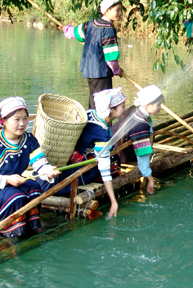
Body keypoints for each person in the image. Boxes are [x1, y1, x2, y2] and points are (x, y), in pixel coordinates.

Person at [0, 97, 60, 238]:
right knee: (16, 197)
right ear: (3, 121)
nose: (22, 124)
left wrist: (47, 171)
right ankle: (13, 230)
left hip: (13, 185)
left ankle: (30, 225)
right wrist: (7, 180)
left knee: (34, 188)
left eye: (25, 119)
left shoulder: (29, 140)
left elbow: (39, 162)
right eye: (16, 119)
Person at [37, 87, 127, 219]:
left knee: (112, 156)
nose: (125, 109)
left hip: (67, 158)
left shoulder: (89, 114)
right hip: (78, 169)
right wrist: (113, 201)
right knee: (110, 161)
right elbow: (104, 169)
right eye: (122, 106)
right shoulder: (102, 134)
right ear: (111, 110)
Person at [61, 0, 124, 109]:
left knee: (94, 101)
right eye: (117, 10)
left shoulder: (92, 23)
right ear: (107, 10)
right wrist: (117, 70)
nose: (120, 13)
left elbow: (77, 32)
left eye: (121, 10)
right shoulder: (108, 29)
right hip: (101, 73)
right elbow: (110, 56)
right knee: (104, 105)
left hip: (89, 70)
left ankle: (92, 124)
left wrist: (67, 29)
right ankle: (101, 127)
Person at [112, 85, 164, 195]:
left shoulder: (134, 109)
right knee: (144, 151)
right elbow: (142, 155)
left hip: (116, 145)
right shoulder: (140, 124)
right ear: (148, 105)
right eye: (158, 105)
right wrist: (149, 178)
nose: (160, 107)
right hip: (119, 154)